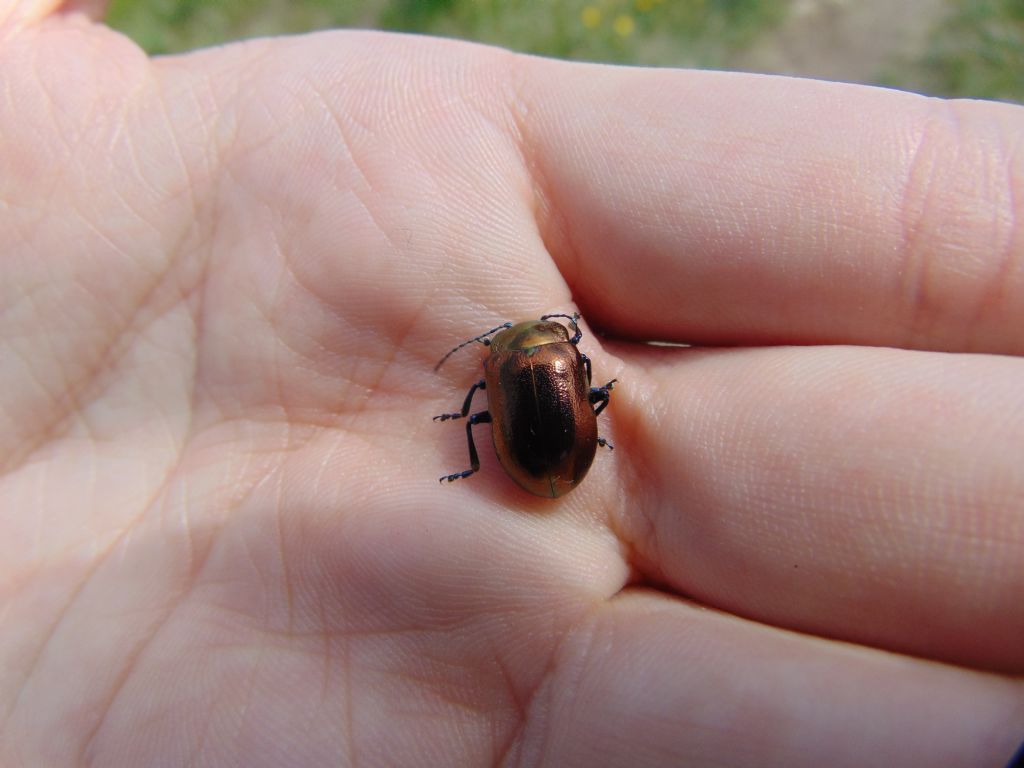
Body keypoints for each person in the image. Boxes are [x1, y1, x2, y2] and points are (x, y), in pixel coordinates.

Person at [1, 1, 1021, 765]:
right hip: (558, 452)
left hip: (548, 453)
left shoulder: (501, 372)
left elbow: (509, 405)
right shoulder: (547, 365)